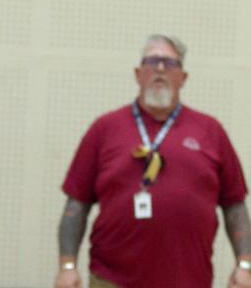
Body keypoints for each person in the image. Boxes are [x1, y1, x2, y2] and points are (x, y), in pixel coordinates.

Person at [54, 35, 251, 288]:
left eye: (170, 64)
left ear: (183, 78)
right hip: (113, 280)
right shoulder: (105, 128)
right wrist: (67, 267)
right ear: (138, 74)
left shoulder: (210, 131)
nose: (160, 69)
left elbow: (234, 205)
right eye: (152, 62)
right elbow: (76, 204)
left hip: (189, 280)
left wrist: (244, 265)